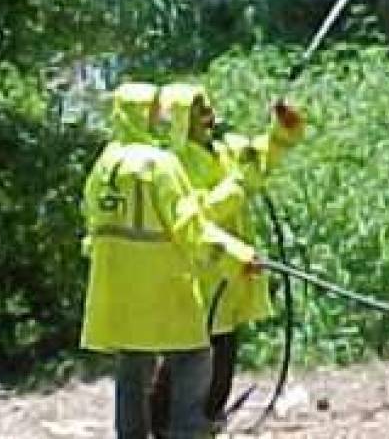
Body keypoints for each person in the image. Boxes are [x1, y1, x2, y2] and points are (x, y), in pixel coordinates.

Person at [80, 82, 262, 439]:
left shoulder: (104, 164)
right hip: (163, 284)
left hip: (116, 286)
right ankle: (187, 431)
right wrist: (238, 256)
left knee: (132, 364)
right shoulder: (160, 164)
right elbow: (189, 225)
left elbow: (91, 219)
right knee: (194, 356)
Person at [150, 83, 305, 426]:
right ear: (180, 119)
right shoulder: (173, 166)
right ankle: (161, 424)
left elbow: (262, 156)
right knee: (189, 352)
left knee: (225, 348)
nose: (209, 116)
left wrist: (282, 126)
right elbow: (199, 213)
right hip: (200, 271)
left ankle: (209, 418)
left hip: (232, 271)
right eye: (198, 111)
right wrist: (237, 187)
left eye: (207, 108)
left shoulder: (227, 150)